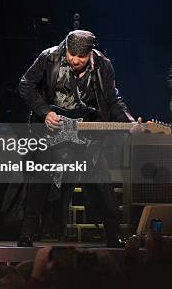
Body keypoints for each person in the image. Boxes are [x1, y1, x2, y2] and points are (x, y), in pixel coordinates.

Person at [14, 29, 137, 247]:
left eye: (81, 57)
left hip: (87, 135)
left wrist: (130, 122)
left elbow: (112, 99)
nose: (75, 60)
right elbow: (25, 85)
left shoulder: (103, 65)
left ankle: (113, 236)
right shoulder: (48, 57)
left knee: (101, 183)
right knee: (40, 181)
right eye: (72, 55)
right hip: (53, 130)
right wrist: (44, 112)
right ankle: (27, 234)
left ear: (90, 53)